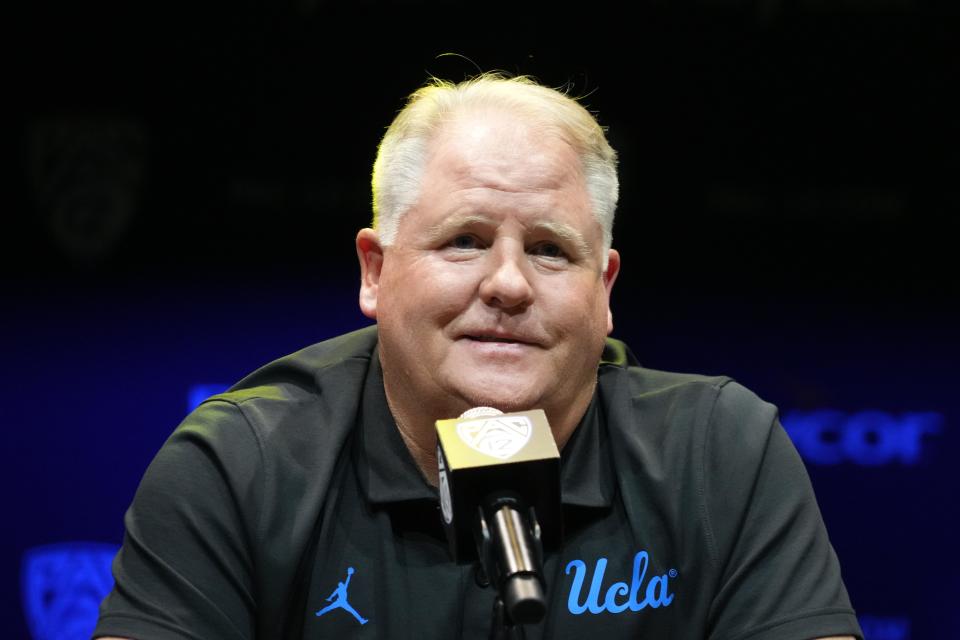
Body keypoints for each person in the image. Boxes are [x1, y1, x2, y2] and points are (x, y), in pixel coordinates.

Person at [94, 72, 862, 639]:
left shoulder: (722, 452)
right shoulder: (238, 465)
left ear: (605, 287)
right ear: (375, 270)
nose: (507, 283)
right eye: (464, 241)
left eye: (550, 250)